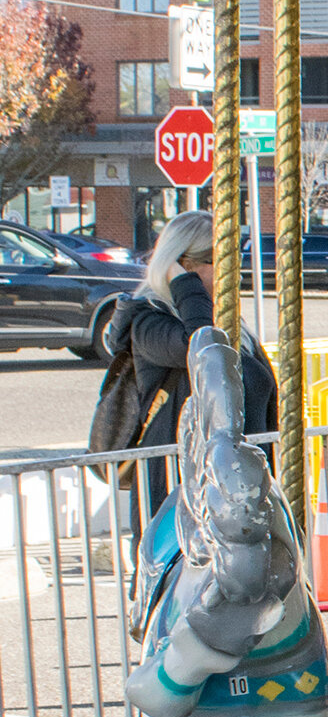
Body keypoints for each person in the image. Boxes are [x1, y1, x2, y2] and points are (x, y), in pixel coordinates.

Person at [104, 208, 279, 520]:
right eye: (220, 264)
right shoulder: (149, 322)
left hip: (240, 492)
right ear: (183, 264)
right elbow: (201, 349)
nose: (234, 274)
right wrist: (185, 284)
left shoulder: (228, 323)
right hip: (179, 493)